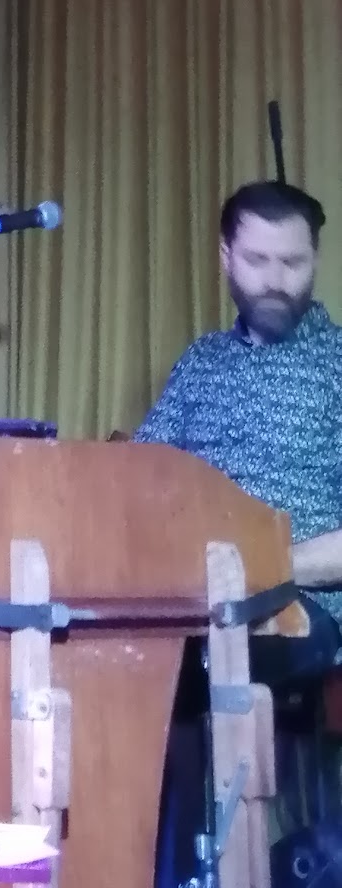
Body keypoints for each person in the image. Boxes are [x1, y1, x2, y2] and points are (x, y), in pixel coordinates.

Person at [136, 180, 342, 883]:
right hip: (189, 601)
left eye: (293, 262)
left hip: (299, 607)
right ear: (226, 257)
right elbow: (142, 481)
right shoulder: (201, 364)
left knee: (187, 668)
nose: (277, 280)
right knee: (126, 654)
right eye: (258, 260)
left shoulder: (336, 366)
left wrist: (260, 564)